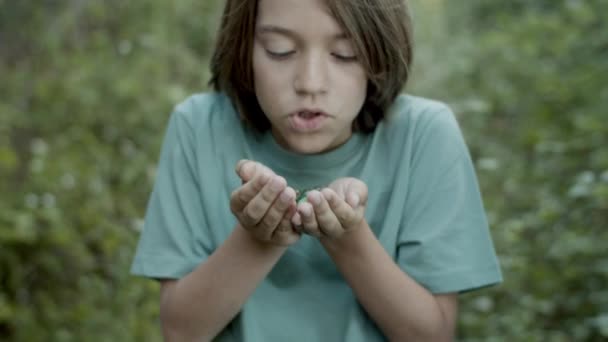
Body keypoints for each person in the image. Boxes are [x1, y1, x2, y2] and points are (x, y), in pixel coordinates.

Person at [130, 0, 502, 340]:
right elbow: (180, 331)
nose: (310, 83)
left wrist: (348, 238)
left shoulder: (424, 135)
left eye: (345, 53)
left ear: (380, 53)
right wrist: (259, 239)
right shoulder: (199, 127)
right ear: (244, 48)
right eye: (281, 50)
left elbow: (432, 335)